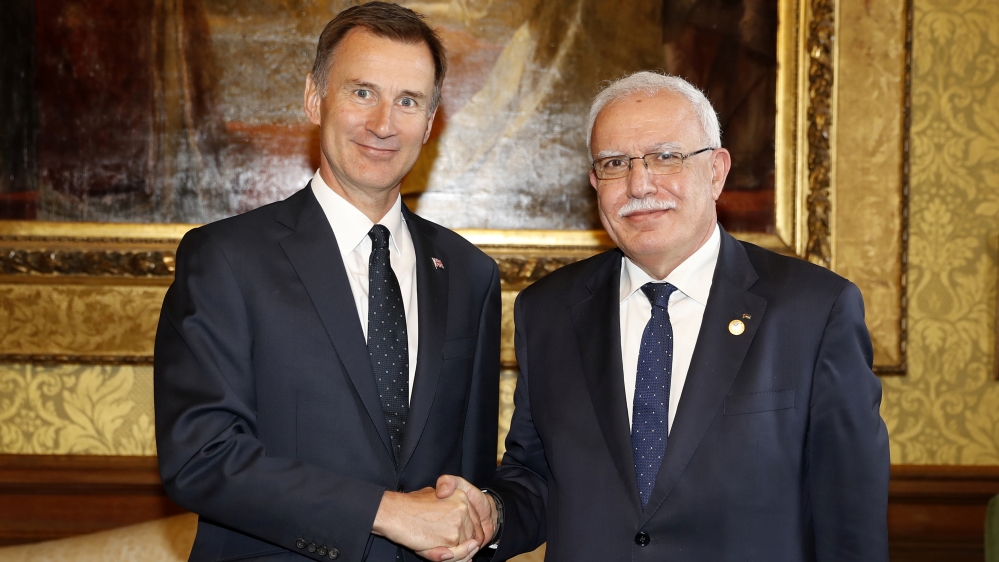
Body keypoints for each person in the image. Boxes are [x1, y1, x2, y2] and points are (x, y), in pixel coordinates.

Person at [435, 71, 890, 561]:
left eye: (666, 157)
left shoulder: (814, 311)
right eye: (615, 163)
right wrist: (493, 515)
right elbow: (538, 477)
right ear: (595, 183)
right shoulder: (548, 311)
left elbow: (850, 524)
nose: (639, 184)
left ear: (716, 171)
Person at [154, 3, 500, 561]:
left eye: (408, 101)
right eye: (362, 92)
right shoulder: (225, 259)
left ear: (431, 121)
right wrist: (386, 512)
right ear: (314, 98)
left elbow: (469, 476)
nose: (383, 123)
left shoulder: (470, 274)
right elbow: (202, 458)